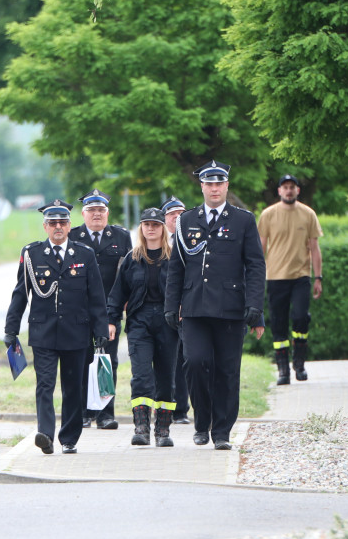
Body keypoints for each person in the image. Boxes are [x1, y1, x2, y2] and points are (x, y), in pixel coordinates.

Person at [165, 160, 266, 450]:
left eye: (219, 183)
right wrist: (172, 305)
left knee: (227, 371)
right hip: (195, 306)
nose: (214, 188)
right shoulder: (186, 221)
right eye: (209, 183)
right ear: (202, 186)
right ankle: (202, 420)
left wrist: (255, 305)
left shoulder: (243, 220)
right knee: (195, 363)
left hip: (231, 308)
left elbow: (256, 265)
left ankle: (221, 431)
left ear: (226, 186)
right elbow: (177, 267)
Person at [4, 200, 110, 455]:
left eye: (62, 222)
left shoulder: (84, 254)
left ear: (70, 226)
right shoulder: (32, 254)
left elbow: (96, 296)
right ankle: (46, 434)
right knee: (45, 384)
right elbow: (21, 294)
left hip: (76, 332)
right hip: (44, 332)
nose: (58, 227)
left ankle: (70, 438)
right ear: (45, 226)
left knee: (73, 387)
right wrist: (11, 328)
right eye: (53, 223)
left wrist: (101, 332)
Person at [107, 208, 178, 447]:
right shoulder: (132, 258)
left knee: (166, 377)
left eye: (155, 224)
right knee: (141, 376)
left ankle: (163, 430)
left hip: (168, 323)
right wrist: (111, 320)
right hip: (139, 322)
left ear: (163, 228)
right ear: (141, 228)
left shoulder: (175, 258)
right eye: (146, 224)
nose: (151, 229)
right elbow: (118, 293)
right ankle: (141, 428)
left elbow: (186, 290)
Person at [68, 188, 133, 430]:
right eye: (92, 210)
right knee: (81, 360)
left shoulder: (121, 237)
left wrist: (118, 311)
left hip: (109, 310)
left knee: (107, 361)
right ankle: (84, 411)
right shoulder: (73, 237)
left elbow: (127, 276)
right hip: (79, 312)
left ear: (108, 213)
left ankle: (106, 412)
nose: (97, 214)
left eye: (101, 210)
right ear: (83, 214)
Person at [258, 174, 324, 384]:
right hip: (276, 276)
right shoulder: (268, 215)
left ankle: (300, 364)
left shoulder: (308, 214)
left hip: (300, 276)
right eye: (285, 187)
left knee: (300, 317)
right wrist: (256, 276)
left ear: (298, 191)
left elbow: (314, 247)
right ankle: (283, 371)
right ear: (279, 191)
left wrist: (318, 277)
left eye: (292, 187)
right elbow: (260, 247)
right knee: (278, 323)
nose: (288, 190)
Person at [161, 195, 191, 425]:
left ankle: (181, 409)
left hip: (186, 308)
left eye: (181, 213)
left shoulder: (193, 239)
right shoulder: (157, 241)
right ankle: (163, 408)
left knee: (183, 359)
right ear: (165, 219)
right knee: (163, 361)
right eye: (172, 215)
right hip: (160, 309)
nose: (177, 218)